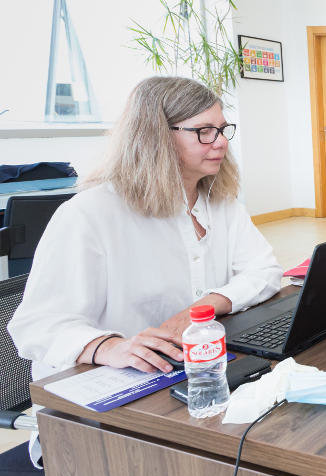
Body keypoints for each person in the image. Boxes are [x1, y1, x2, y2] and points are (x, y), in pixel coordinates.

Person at [10, 76, 282, 381]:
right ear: (156, 137)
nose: (221, 141)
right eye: (203, 131)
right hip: (109, 385)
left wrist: (203, 307)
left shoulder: (221, 204)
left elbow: (265, 271)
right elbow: (37, 324)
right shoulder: (90, 214)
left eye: (221, 129)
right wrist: (108, 346)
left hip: (188, 368)